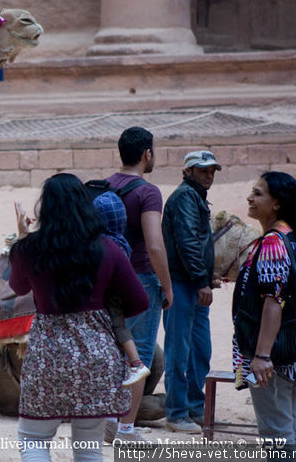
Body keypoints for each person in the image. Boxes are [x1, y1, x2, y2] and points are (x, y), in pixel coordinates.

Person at [10, 174, 148, 462]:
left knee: (33, 439)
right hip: (97, 362)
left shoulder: (29, 250)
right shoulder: (108, 248)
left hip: (47, 359)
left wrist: (23, 240)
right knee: (89, 449)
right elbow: (139, 301)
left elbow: (18, 287)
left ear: (44, 208)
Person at [232, 171, 296, 446]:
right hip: (286, 350)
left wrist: (262, 355)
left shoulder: (273, 243)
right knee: (287, 426)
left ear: (276, 203)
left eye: (258, 193)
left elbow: (273, 301)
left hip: (271, 354)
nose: (250, 197)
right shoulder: (288, 235)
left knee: (276, 432)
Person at [105, 126, 173, 442]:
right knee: (140, 354)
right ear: (147, 154)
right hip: (141, 279)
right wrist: (167, 285)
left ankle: (107, 421)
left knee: (112, 349)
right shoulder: (148, 192)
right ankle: (125, 429)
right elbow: (155, 244)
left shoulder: (103, 186)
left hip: (106, 277)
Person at [161, 149, 220, 433]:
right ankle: (176, 412)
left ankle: (196, 408)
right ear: (188, 172)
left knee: (199, 350)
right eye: (202, 170)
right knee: (179, 351)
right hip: (184, 285)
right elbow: (186, 242)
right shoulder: (185, 197)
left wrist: (207, 277)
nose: (209, 175)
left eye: (211, 170)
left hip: (195, 285)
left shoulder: (196, 198)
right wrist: (201, 280)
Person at [91, 191, 151, 387]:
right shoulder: (121, 241)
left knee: (119, 326)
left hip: (111, 296)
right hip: (116, 291)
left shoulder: (106, 245)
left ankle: (136, 364)